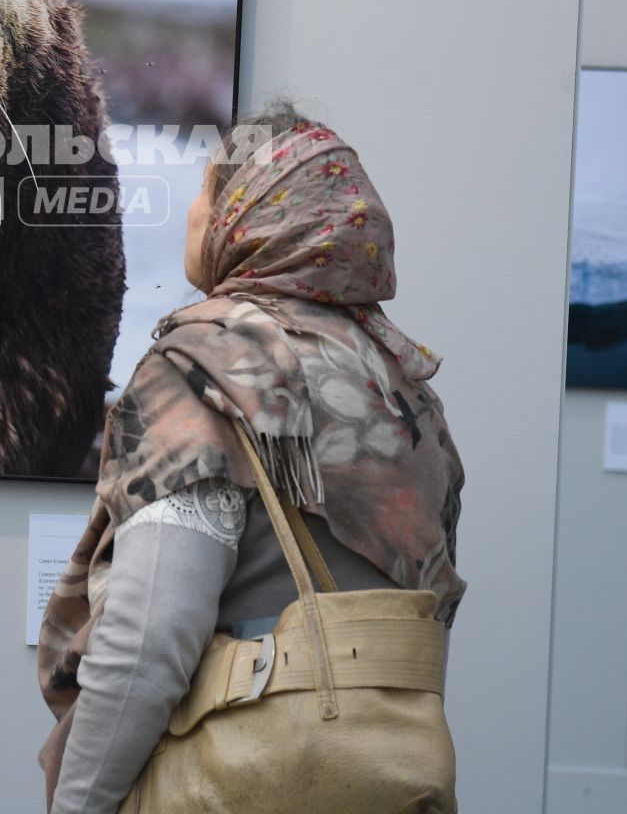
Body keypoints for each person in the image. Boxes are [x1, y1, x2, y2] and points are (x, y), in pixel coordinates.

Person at [37, 109, 465, 814]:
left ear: (250, 218)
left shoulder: (206, 370)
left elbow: (152, 638)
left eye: (209, 193)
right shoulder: (404, 391)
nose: (194, 214)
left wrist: (76, 806)